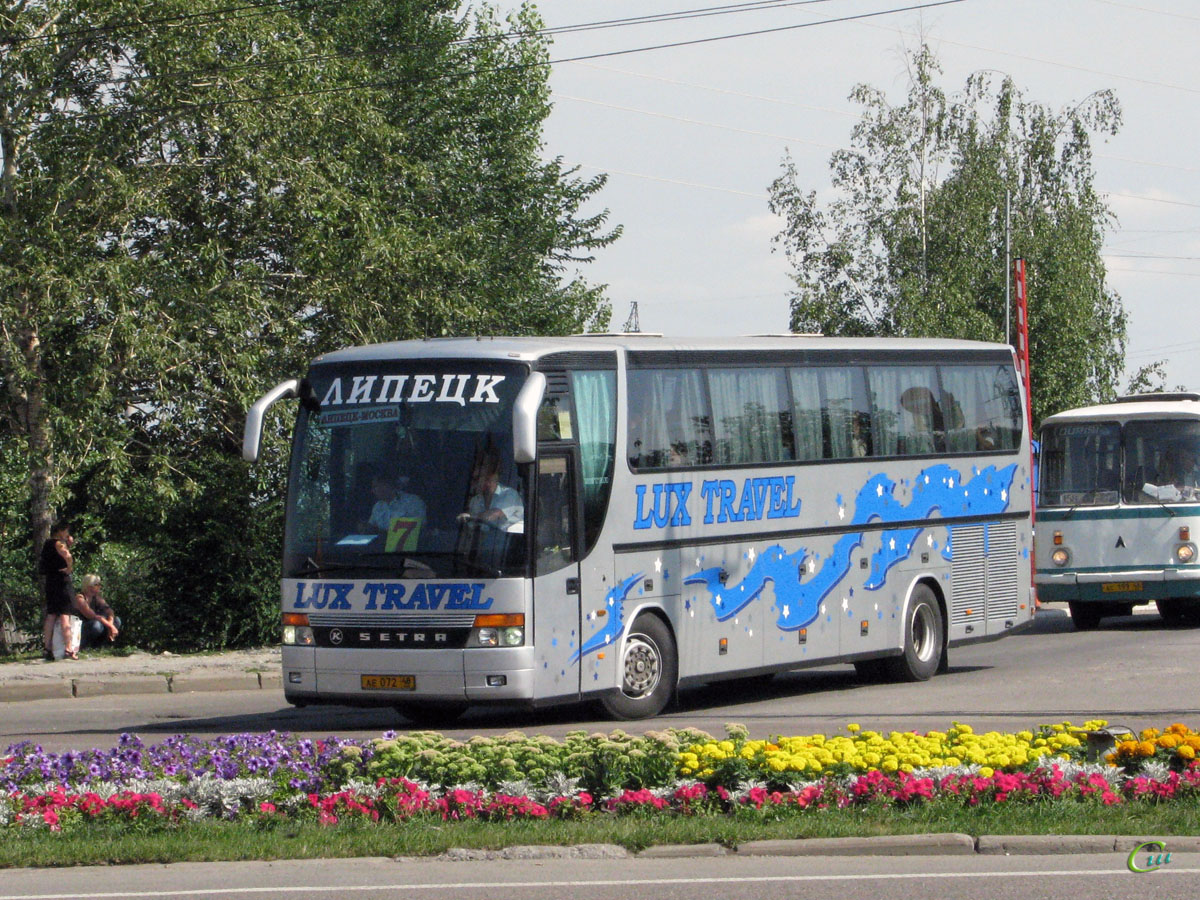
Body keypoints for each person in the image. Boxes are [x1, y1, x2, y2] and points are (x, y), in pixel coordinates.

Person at [459, 448, 523, 530]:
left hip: (508, 540)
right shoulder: (475, 501)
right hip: (484, 541)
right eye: (473, 479)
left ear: (488, 479)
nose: (472, 483)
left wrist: (470, 518)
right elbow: (471, 528)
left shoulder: (509, 494)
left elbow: (493, 515)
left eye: (477, 478)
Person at [39, 520, 76, 661]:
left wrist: (68, 542)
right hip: (61, 581)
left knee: (51, 615)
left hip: (50, 581)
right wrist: (69, 567)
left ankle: (47, 647)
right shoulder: (58, 544)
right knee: (65, 615)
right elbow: (67, 555)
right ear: (60, 531)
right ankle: (68, 648)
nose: (67, 534)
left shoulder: (47, 544)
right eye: (66, 531)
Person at [359, 472, 426, 533]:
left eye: (375, 487)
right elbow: (372, 525)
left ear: (387, 486)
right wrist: (365, 527)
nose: (373, 491)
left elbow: (421, 526)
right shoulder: (378, 506)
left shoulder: (412, 501)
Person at [74, 574, 120, 650]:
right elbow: (93, 616)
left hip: (97, 623)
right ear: (90, 586)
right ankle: (85, 646)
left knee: (117, 620)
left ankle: (100, 645)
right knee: (96, 625)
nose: (100, 587)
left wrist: (111, 623)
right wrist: (111, 626)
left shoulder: (97, 598)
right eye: (97, 585)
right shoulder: (80, 599)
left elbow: (109, 611)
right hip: (82, 628)